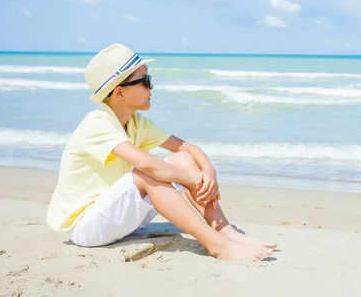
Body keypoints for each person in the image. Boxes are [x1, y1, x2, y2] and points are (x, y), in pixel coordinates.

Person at [46, 43, 275, 263]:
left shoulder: (135, 122)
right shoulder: (97, 123)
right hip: (87, 228)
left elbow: (186, 148)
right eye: (145, 81)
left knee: (182, 160)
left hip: (117, 218)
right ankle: (216, 245)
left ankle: (225, 232)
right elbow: (146, 165)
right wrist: (194, 181)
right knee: (146, 174)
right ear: (118, 93)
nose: (151, 87)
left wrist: (208, 171)